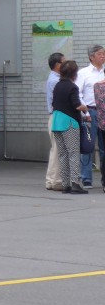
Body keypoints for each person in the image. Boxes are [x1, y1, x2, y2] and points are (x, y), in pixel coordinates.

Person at [52, 59, 89, 194]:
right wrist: (85, 109)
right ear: (74, 73)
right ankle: (75, 183)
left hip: (56, 121)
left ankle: (66, 184)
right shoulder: (72, 87)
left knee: (62, 154)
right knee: (73, 153)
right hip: (69, 123)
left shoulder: (57, 85)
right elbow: (76, 105)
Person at [75, 45, 105, 187]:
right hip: (90, 111)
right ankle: (86, 177)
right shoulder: (84, 73)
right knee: (88, 145)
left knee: (103, 147)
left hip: (104, 112)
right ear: (91, 57)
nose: (103, 56)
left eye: (104, 54)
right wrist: (85, 111)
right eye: (100, 54)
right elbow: (78, 93)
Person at [45, 52, 64, 191]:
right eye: (64, 62)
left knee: (55, 150)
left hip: (54, 116)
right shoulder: (56, 81)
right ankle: (56, 181)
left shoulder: (54, 78)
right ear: (57, 65)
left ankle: (51, 180)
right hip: (58, 116)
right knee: (58, 150)